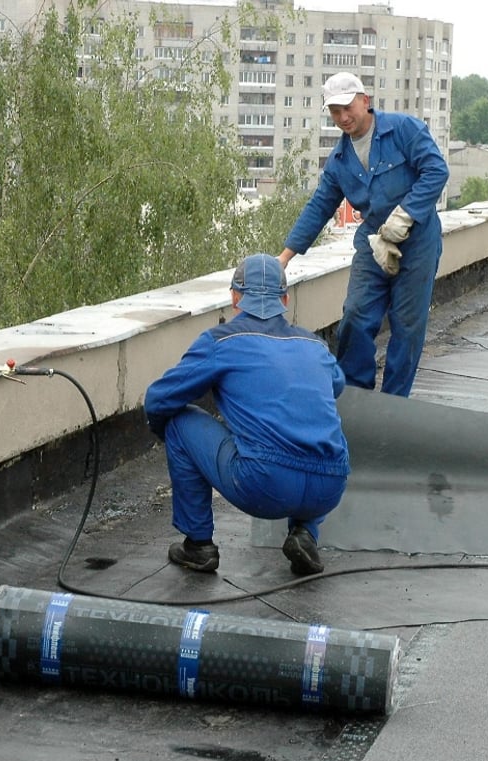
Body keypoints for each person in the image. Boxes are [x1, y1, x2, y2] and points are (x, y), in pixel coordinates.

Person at [144, 253, 350, 575]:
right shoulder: (314, 344)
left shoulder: (221, 341)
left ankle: (198, 546)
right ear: (284, 299)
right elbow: (336, 385)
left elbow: (159, 399)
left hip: (265, 486)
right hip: (330, 486)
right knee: (318, 423)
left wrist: (164, 434)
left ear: (235, 297)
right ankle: (305, 533)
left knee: (179, 422)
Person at [279, 72, 450, 398]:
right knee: (356, 315)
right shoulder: (340, 160)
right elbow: (320, 206)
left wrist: (406, 214)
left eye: (347, 108)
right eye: (334, 111)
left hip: (418, 239)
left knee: (407, 325)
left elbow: (436, 170)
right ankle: (355, 398)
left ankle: (393, 405)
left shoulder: (403, 130)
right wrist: (284, 258)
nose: (342, 117)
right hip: (374, 242)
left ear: (364, 101)